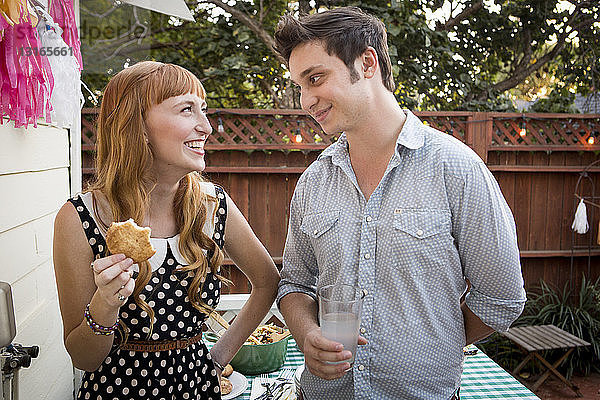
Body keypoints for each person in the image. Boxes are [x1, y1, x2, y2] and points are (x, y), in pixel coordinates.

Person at [273, 7, 526, 400]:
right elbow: (294, 283)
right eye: (300, 86)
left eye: (315, 78)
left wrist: (434, 341)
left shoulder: (456, 169)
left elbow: (502, 298)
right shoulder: (312, 183)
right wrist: (306, 334)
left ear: (367, 63)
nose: (305, 100)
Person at [53, 61, 280, 400]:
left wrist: (216, 359)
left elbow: (267, 282)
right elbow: (85, 358)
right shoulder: (80, 218)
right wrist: (106, 301)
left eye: (202, 110)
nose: (206, 126)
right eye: (186, 110)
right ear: (137, 125)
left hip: (198, 391)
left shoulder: (213, 206)